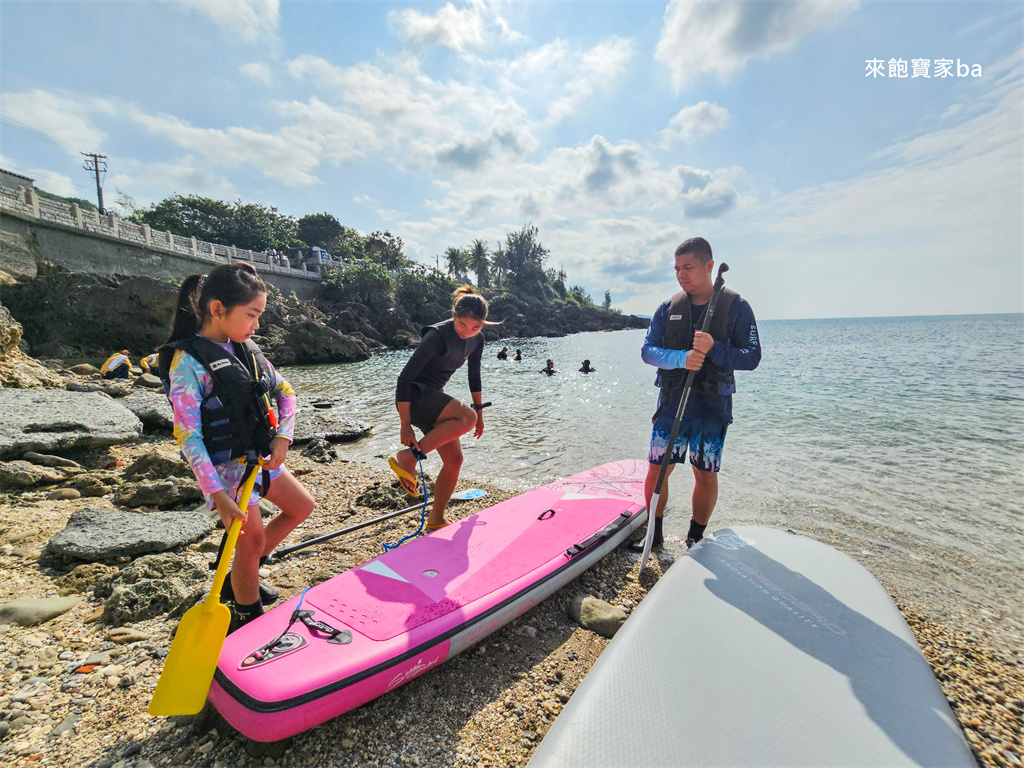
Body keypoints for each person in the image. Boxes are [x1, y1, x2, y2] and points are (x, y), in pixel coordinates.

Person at [159, 262, 314, 628]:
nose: (256, 325)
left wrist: (283, 436)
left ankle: (241, 576)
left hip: (259, 458)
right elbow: (188, 436)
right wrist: (217, 495)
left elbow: (286, 392)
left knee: (301, 507)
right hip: (226, 470)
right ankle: (248, 616)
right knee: (251, 538)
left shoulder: (245, 348)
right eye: (252, 314)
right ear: (217, 309)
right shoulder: (187, 364)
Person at [633, 236, 761, 552]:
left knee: (705, 474)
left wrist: (714, 348)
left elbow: (751, 357)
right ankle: (654, 537)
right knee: (657, 470)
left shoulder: (737, 307)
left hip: (712, 405)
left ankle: (695, 539)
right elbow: (648, 351)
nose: (681, 274)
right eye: (677, 268)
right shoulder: (668, 308)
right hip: (672, 401)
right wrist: (681, 358)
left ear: (709, 266)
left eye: (688, 267)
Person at [390, 285, 491, 531]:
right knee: (465, 417)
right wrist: (405, 424)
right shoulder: (437, 336)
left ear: (483, 324)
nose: (467, 332)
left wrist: (480, 414)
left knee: (455, 460)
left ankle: (436, 518)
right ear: (453, 315)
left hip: (433, 400)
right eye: (462, 325)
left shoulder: (477, 340)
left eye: (475, 327)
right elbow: (404, 379)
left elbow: (474, 376)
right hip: (414, 398)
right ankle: (408, 457)